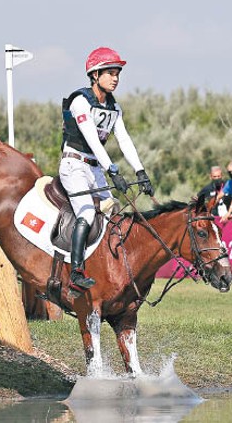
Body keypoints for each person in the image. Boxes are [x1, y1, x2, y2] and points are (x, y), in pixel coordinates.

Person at [59, 46, 154, 293]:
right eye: (110, 73)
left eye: (117, 74)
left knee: (114, 217)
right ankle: (76, 273)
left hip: (95, 169)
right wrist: (113, 171)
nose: (115, 78)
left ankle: (107, 269)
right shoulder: (80, 102)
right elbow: (91, 139)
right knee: (88, 214)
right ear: (94, 75)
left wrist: (140, 172)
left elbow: (124, 140)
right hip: (74, 165)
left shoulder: (115, 108)